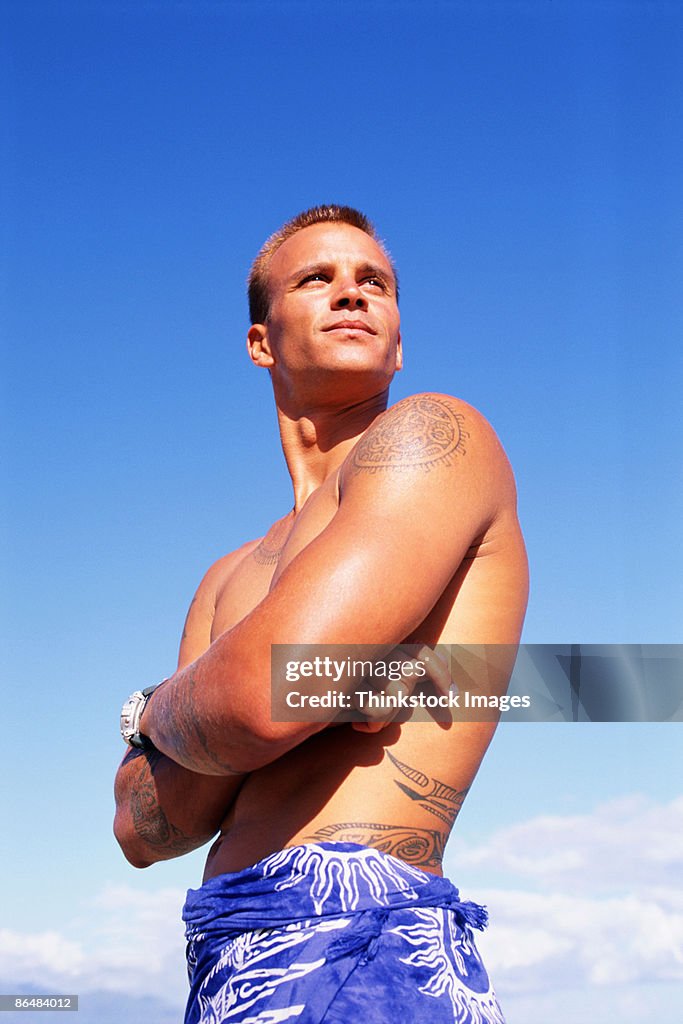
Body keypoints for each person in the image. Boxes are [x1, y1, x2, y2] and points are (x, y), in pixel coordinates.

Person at [114, 205, 528, 1024]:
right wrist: (215, 706)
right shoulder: (228, 573)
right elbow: (146, 829)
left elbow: (255, 706)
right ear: (260, 343)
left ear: (398, 342)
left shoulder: (432, 436)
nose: (351, 293)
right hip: (224, 953)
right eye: (318, 279)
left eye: (373, 282)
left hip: (364, 939)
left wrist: (150, 714)